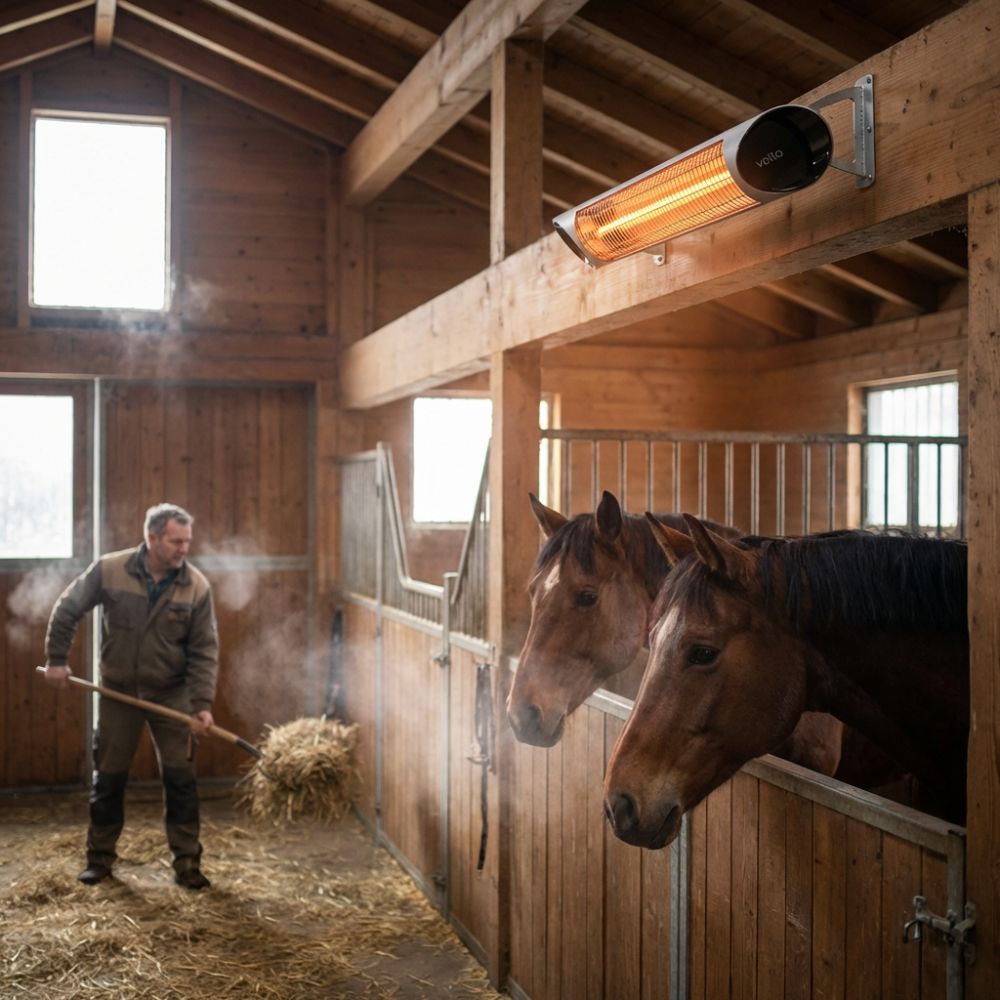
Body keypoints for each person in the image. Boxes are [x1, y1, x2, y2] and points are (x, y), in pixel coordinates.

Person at [43, 503, 219, 890]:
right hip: (117, 693)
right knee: (107, 779)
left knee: (181, 781)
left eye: (187, 541)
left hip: (172, 696)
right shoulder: (110, 569)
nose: (184, 548)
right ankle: (100, 860)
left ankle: (187, 863)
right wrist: (57, 659)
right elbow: (68, 607)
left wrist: (201, 705)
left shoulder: (196, 587)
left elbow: (205, 650)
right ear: (152, 537)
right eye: (176, 540)